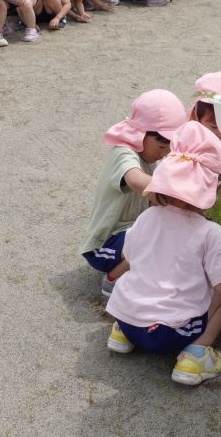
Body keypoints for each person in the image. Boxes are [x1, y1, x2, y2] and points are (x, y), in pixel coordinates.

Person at [104, 121, 221, 386]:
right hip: (170, 333)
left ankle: (122, 336)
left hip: (126, 316)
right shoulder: (210, 232)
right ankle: (196, 356)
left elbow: (131, 257)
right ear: (212, 188)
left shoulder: (147, 216)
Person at [80, 89, 187, 296]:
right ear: (140, 134)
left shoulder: (151, 159)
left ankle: (140, 268)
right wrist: (169, 190)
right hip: (104, 245)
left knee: (167, 228)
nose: (165, 152)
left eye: (170, 146)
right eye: (161, 145)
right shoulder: (124, 153)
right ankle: (114, 278)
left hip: (129, 235)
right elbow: (135, 179)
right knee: (157, 236)